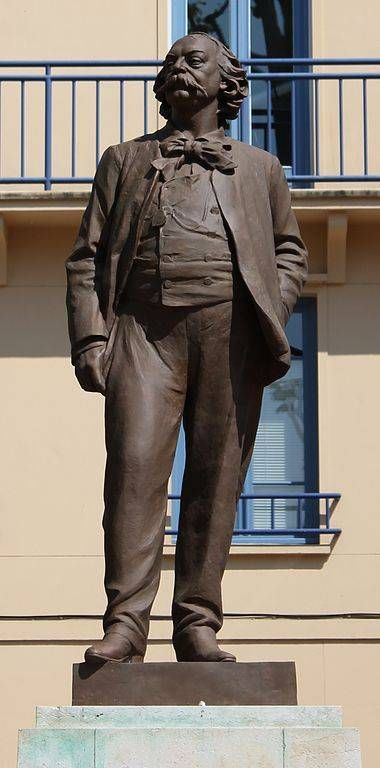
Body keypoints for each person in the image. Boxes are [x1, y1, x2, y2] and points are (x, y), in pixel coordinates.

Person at [66, 32, 308, 664]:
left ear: (225, 80)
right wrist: (93, 337)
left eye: (192, 59)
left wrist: (271, 313)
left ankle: (198, 621)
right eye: (170, 61)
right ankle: (125, 624)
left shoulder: (260, 169)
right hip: (144, 332)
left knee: (215, 478)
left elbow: (289, 252)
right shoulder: (124, 160)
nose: (177, 67)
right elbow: (86, 259)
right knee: (134, 475)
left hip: (230, 334)